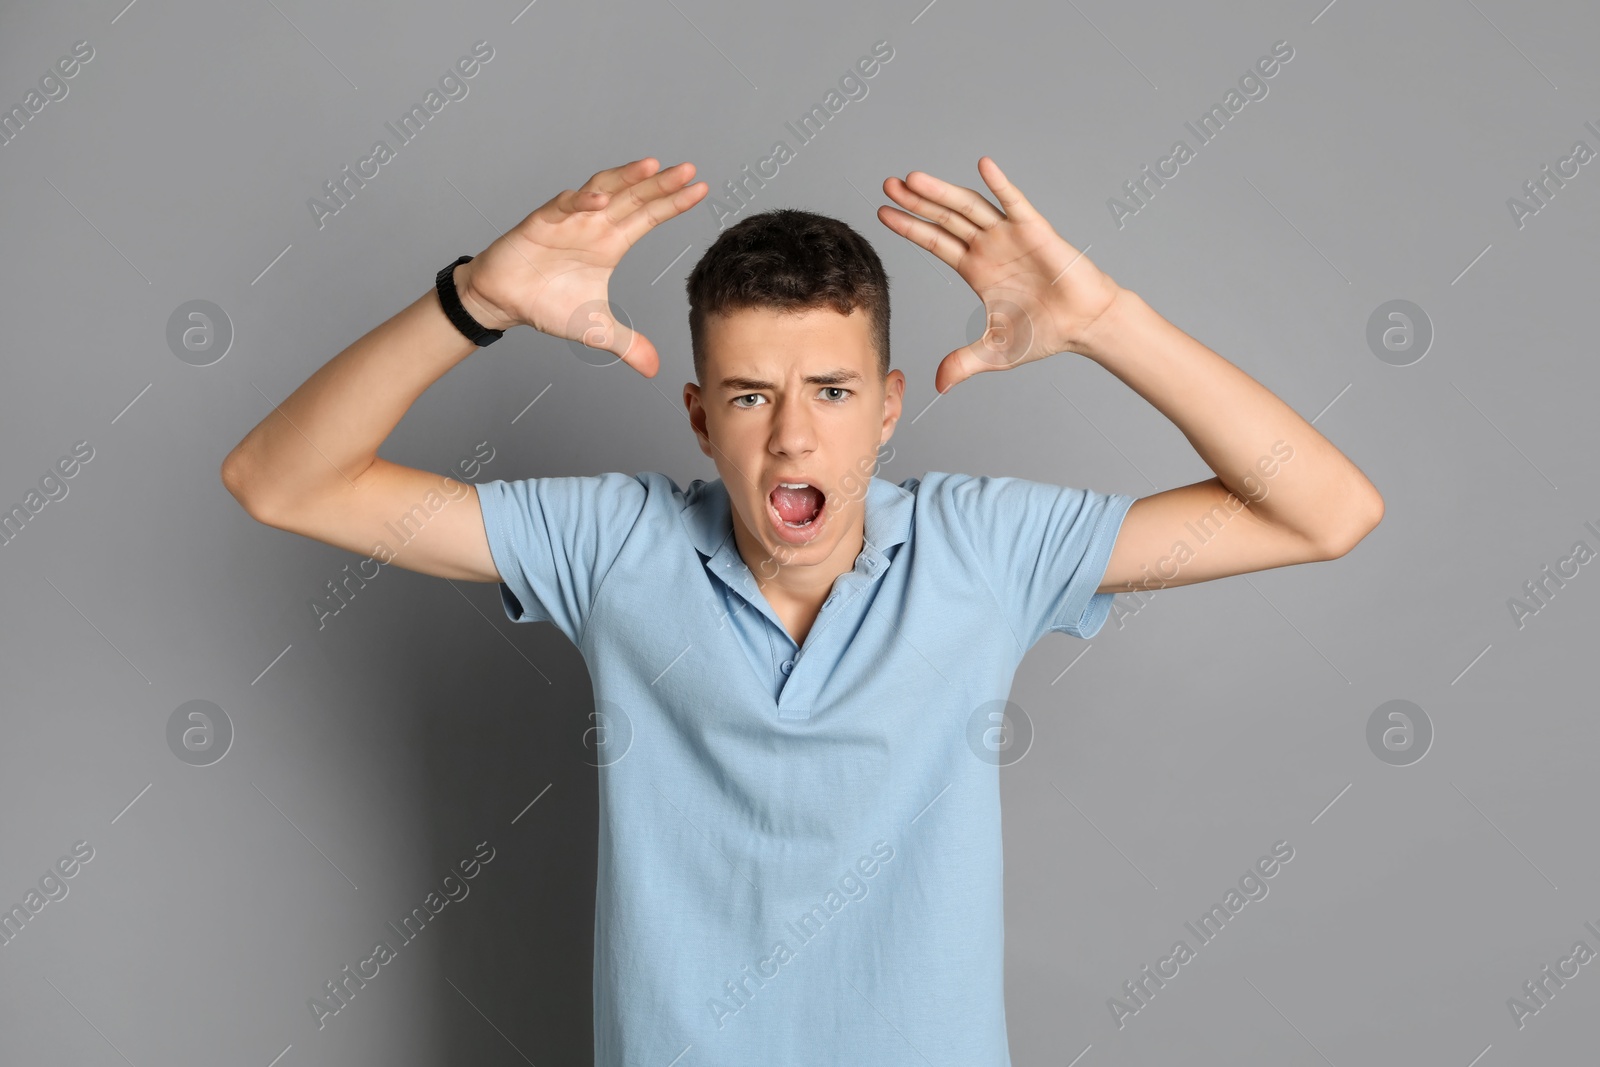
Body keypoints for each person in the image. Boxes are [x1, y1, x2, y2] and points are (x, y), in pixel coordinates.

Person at [221, 155, 1382, 1066]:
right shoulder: (612, 544)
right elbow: (281, 479)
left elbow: (1323, 510)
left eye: (829, 392)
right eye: (749, 395)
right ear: (697, 416)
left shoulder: (984, 547)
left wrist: (1105, 320)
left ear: (885, 409)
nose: (792, 434)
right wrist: (474, 298)